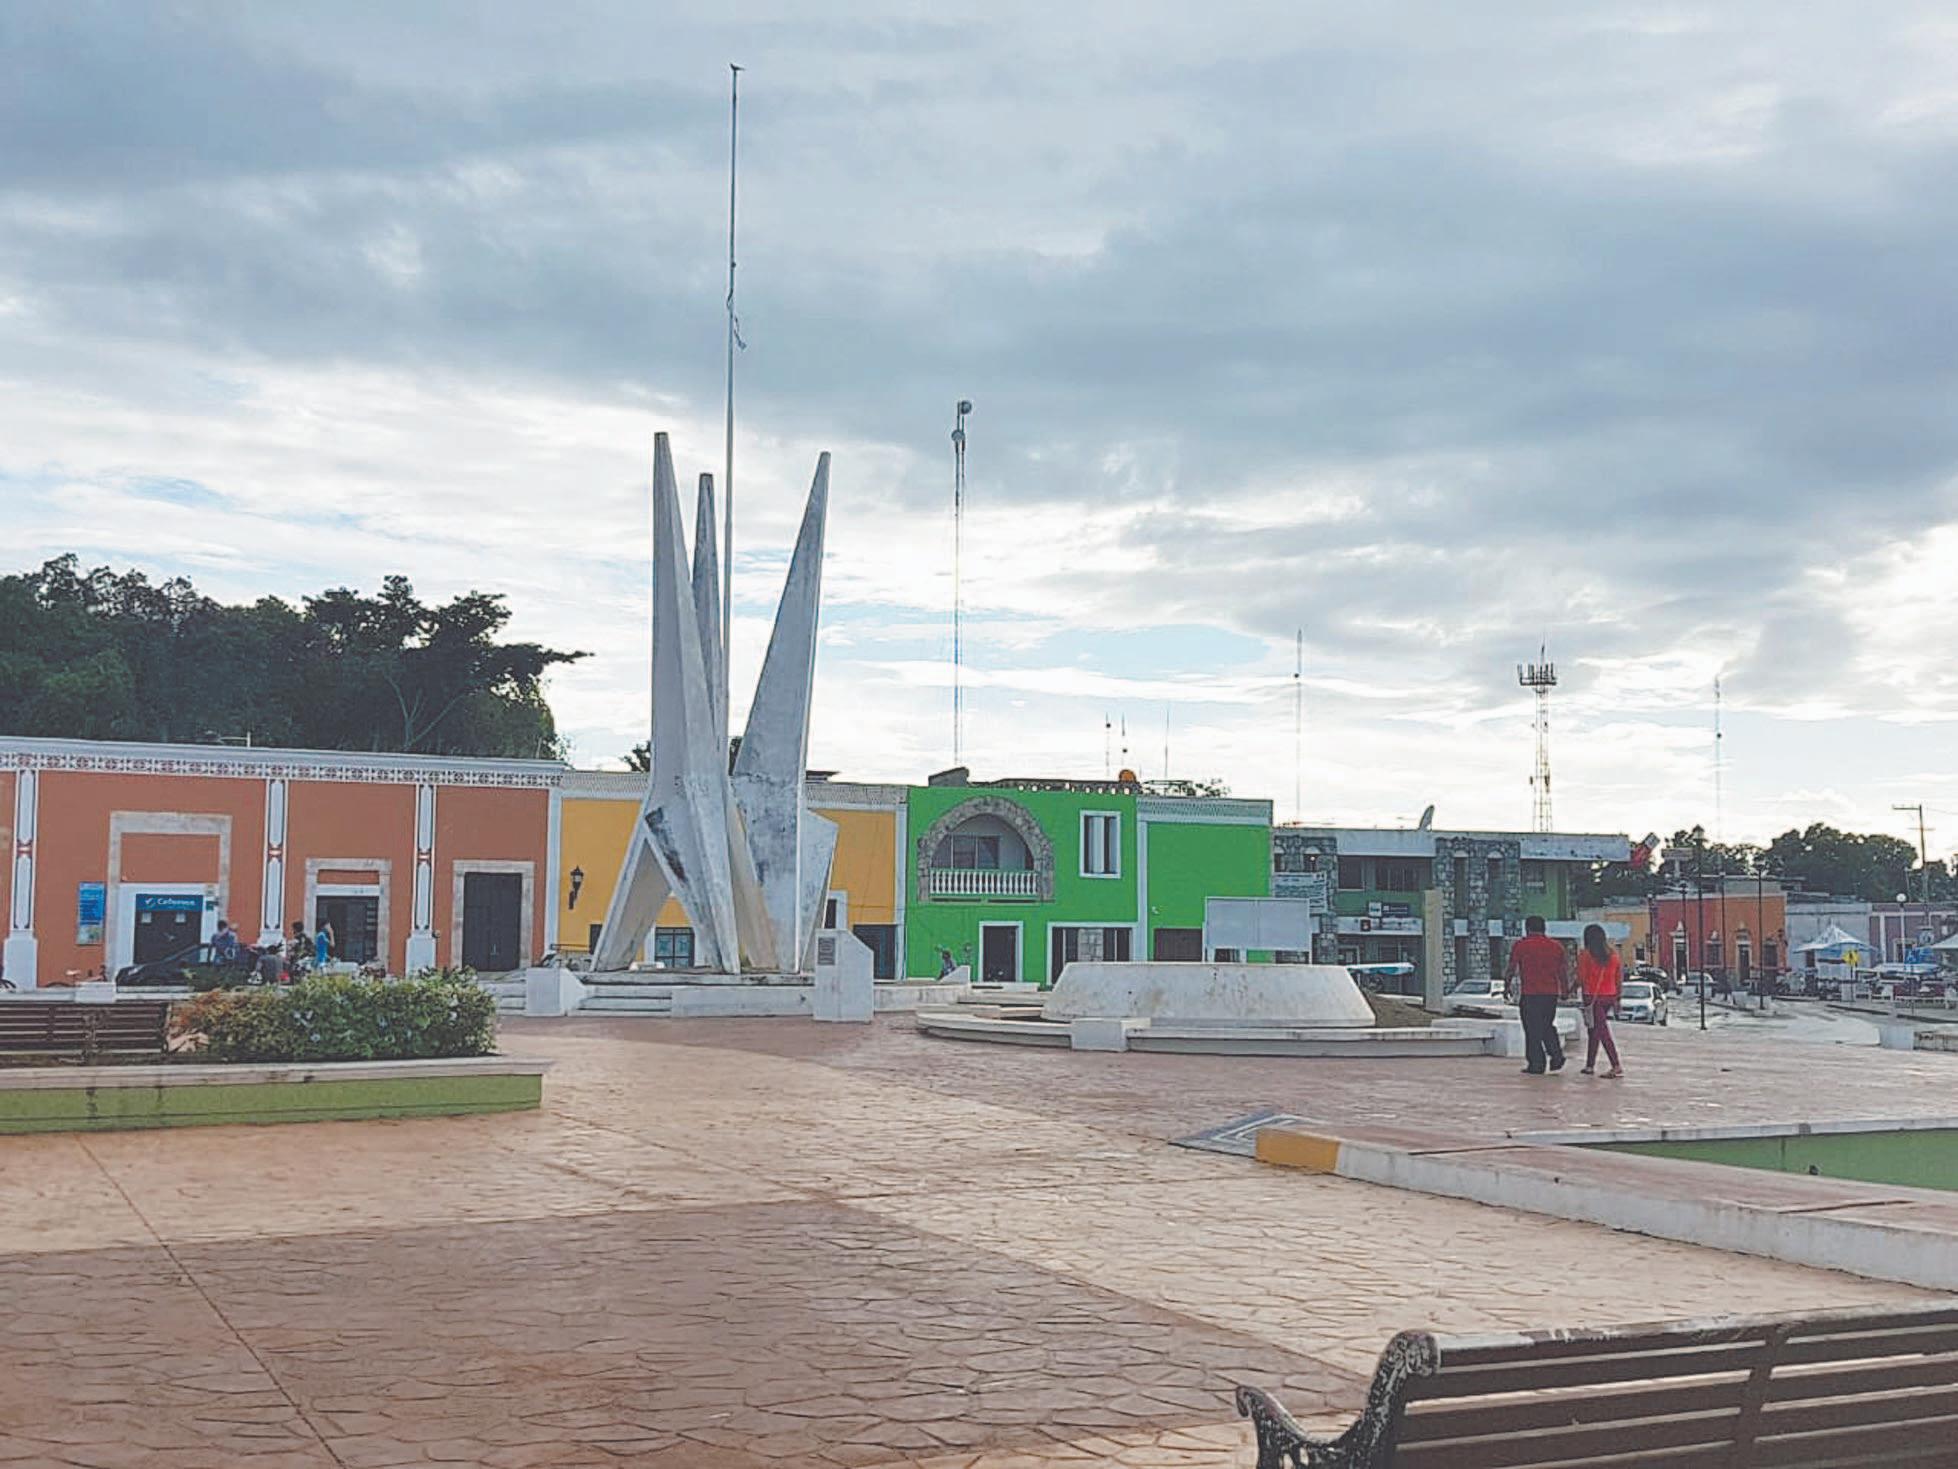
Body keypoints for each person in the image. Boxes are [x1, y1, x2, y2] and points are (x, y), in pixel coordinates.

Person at [1503, 914, 1569, 1075]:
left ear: (1527, 928)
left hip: (1531, 993)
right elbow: (1562, 972)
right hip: (1550, 994)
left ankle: (1537, 1063)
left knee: (1532, 1029)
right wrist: (1565, 990)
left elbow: (1511, 968)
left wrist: (1506, 986)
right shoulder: (1556, 947)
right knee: (1547, 1025)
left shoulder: (1521, 945)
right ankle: (1556, 1054)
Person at [1578, 923, 1625, 1078]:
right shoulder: (1613, 955)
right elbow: (1618, 979)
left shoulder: (1585, 955)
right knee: (1595, 1031)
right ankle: (1589, 1064)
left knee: (1601, 1030)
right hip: (1609, 995)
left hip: (1592, 997)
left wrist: (1571, 989)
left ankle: (1615, 1065)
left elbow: (1582, 978)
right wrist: (1618, 998)